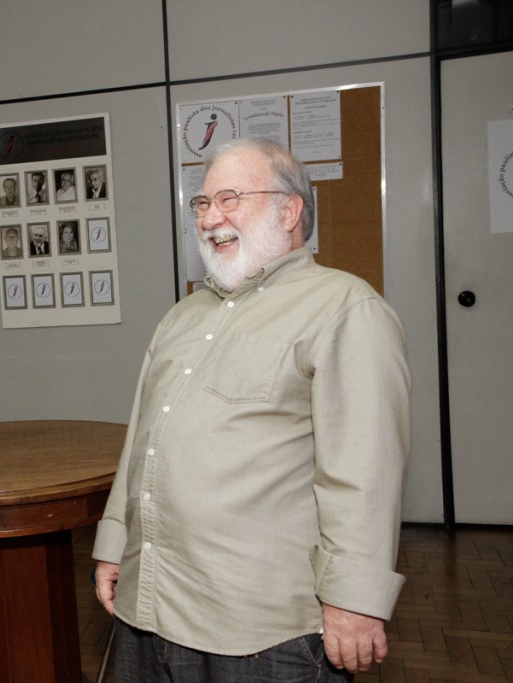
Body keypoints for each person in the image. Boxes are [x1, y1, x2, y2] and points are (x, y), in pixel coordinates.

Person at [93, 137, 410, 682]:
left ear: (290, 211)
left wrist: (354, 602)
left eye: (231, 198)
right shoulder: (181, 317)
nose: (211, 217)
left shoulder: (344, 308)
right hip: (150, 608)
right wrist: (113, 544)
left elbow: (364, 474)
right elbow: (141, 444)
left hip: (263, 631)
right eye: (203, 203)